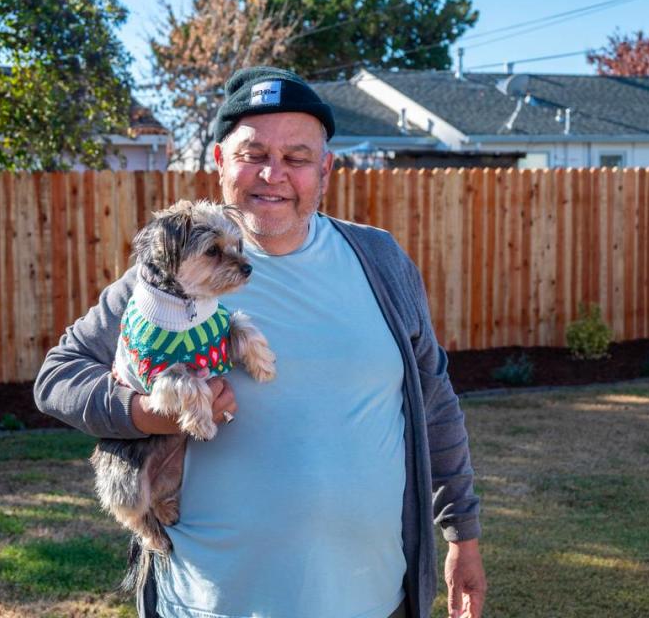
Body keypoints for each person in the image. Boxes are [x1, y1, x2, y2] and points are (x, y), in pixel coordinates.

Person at [34, 66, 485, 618]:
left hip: (373, 599)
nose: (273, 174)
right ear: (221, 163)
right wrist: (146, 414)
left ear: (325, 170)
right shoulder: (170, 276)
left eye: (296, 158)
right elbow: (57, 376)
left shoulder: (382, 261)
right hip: (211, 604)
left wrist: (462, 533)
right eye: (253, 154)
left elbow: (434, 404)